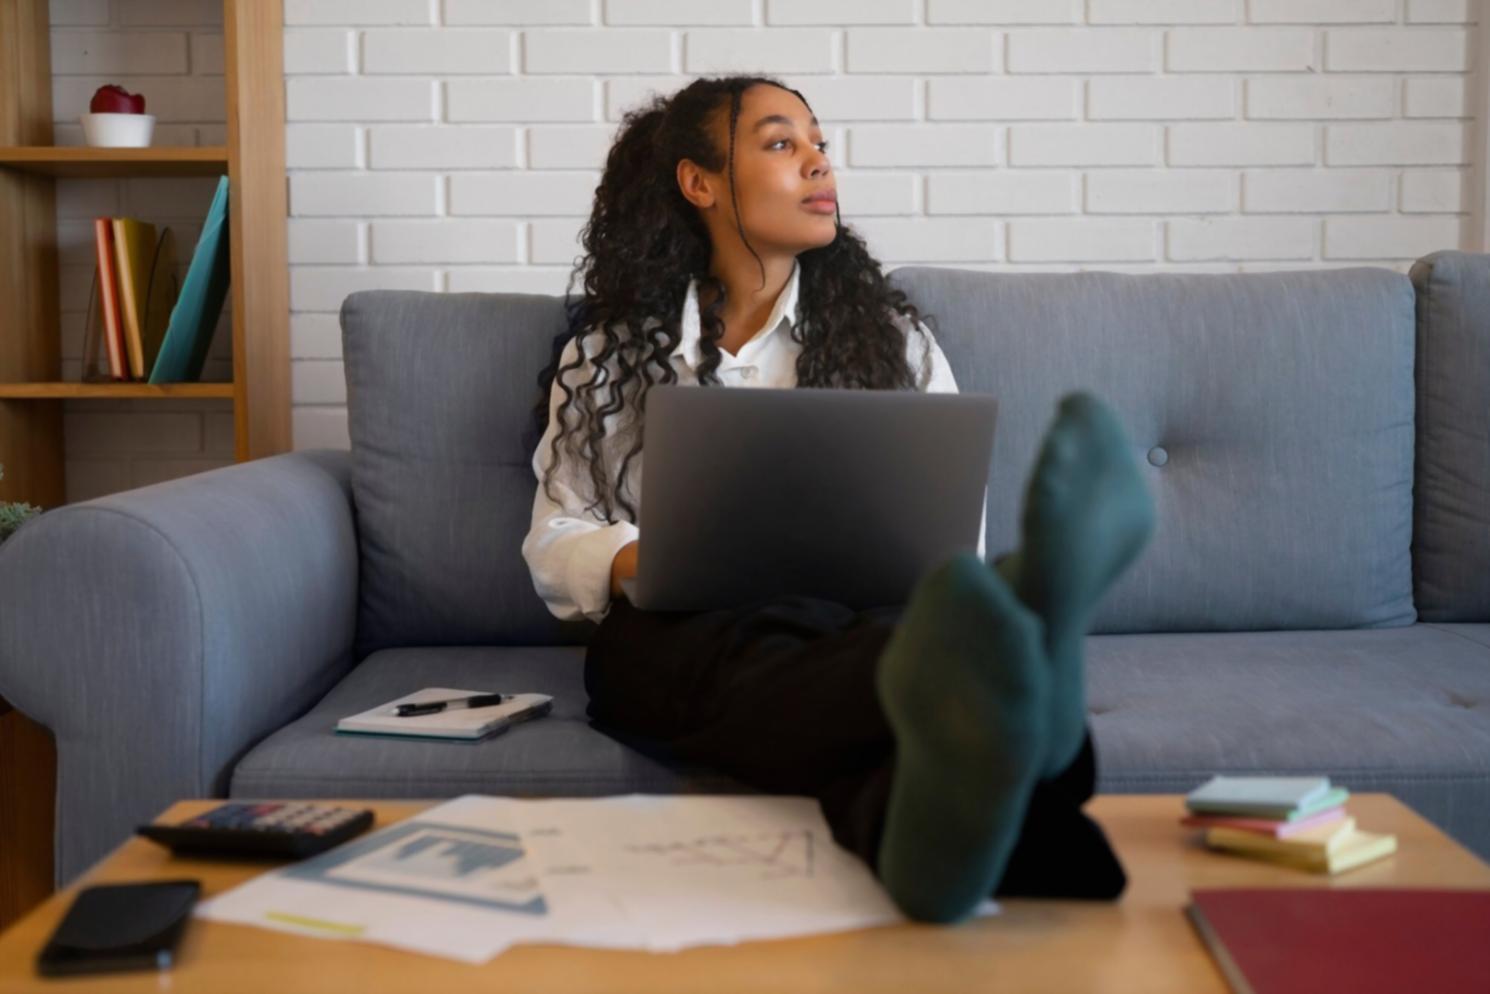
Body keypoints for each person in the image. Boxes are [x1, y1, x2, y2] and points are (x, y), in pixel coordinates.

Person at [521, 74, 1156, 924]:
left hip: (858, 619)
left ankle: (934, 803)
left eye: (819, 143)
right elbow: (555, 536)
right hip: (684, 626)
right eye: (783, 143)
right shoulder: (610, 353)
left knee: (874, 644)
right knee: (657, 657)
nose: (820, 161)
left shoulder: (893, 340)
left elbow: (950, 540)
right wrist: (650, 557)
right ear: (699, 182)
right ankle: (1037, 721)